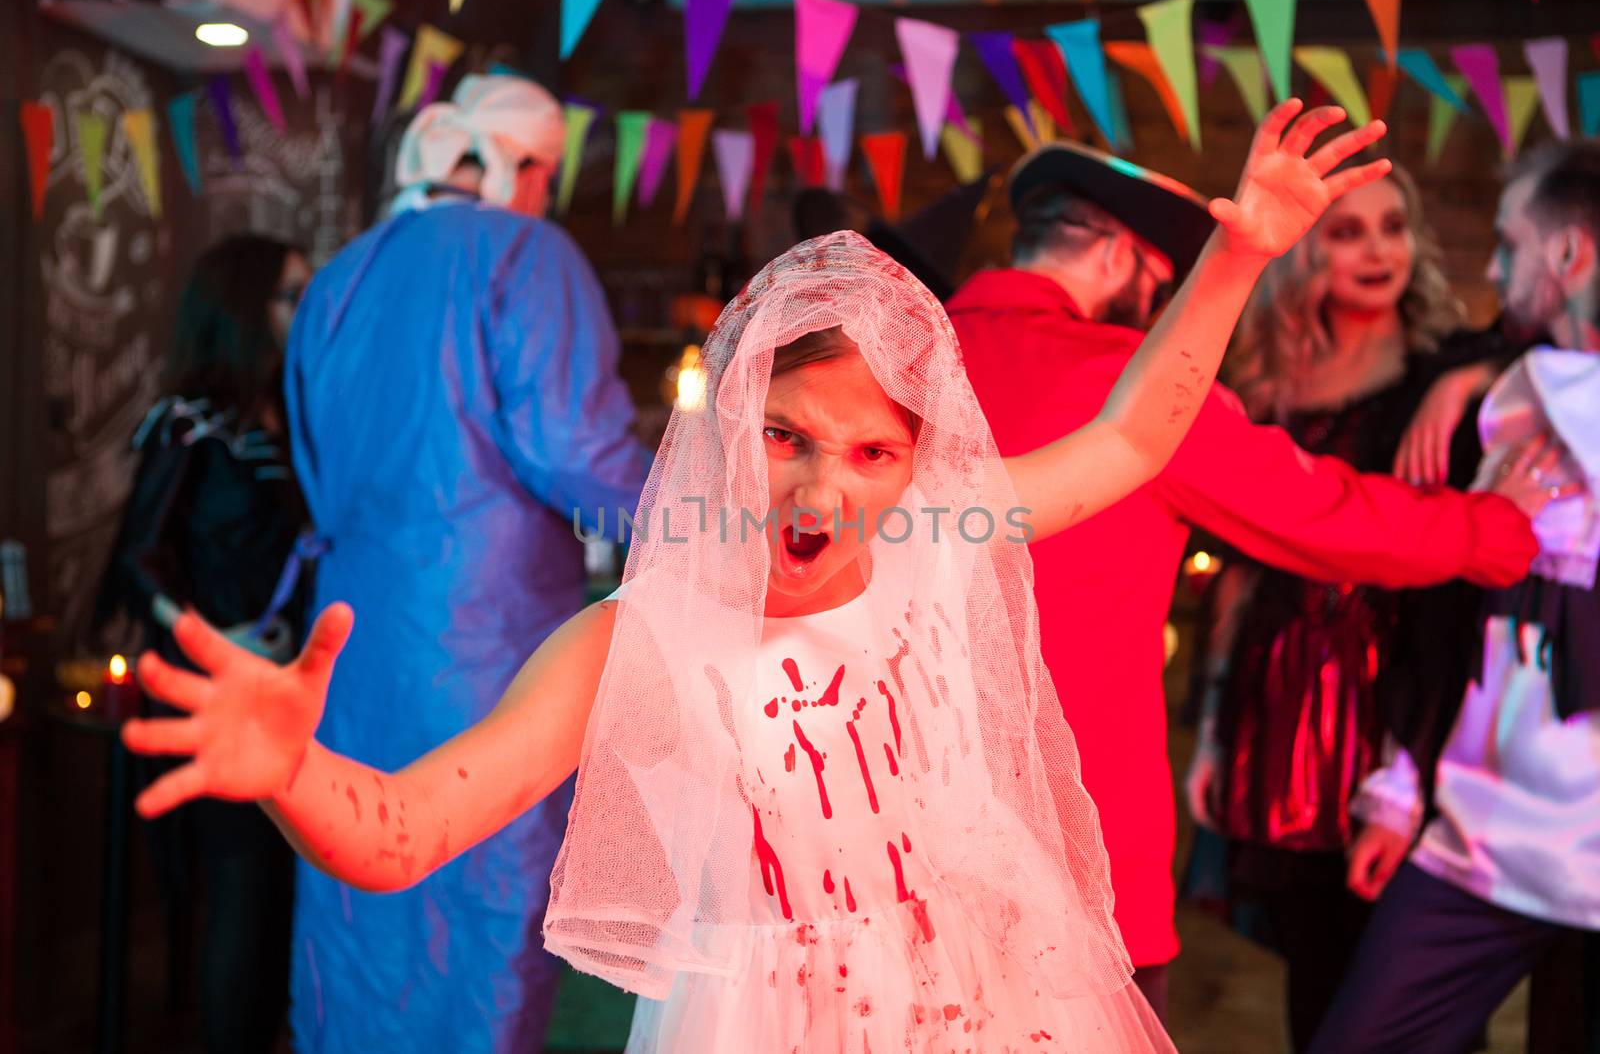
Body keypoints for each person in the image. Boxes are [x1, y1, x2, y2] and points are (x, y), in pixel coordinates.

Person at [122, 104, 1408, 1051]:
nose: (820, 486)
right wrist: (289, 769)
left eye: (868, 450)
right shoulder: (643, 640)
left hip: (994, 994)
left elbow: (1132, 435)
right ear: (726, 426)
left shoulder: (934, 534)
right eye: (784, 435)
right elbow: (406, 836)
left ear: (916, 459)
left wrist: (1236, 258)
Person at [949, 140, 1552, 1016]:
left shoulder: (889, 368)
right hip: (1077, 846)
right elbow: (1324, 513)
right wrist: (1497, 528)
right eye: (1161, 284)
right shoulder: (1131, 385)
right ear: (1124, 257)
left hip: (882, 834)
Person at [280, 74, 650, 1052]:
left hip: (348, 644)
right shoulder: (524, 254)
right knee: (481, 894)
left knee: (355, 889)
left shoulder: (339, 275)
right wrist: (712, 519)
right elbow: (578, 452)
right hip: (484, 645)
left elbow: (312, 463)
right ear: (525, 166)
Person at [1181, 163, 1522, 1050]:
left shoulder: (1441, 371)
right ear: (1302, 252)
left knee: (1414, 986)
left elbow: (1546, 355)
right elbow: (1240, 574)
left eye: (1393, 226)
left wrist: (1467, 378)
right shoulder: (1265, 384)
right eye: (1348, 230)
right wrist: (1216, 727)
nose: (1379, 249)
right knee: (1320, 977)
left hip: (1401, 699)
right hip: (1280, 702)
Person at [1308, 139, 1600, 1053]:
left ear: (1568, 256)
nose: (1493, 264)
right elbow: (1454, 619)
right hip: (1485, 834)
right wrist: (1401, 786)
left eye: (1510, 243)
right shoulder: (1510, 402)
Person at [94, 234, 312, 1053]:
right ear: (242, 306)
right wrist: (208, 634)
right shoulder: (187, 426)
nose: (303, 309)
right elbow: (136, 559)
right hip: (214, 693)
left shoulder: (291, 418)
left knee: (280, 886)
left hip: (290, 692)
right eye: (288, 294)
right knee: (241, 885)